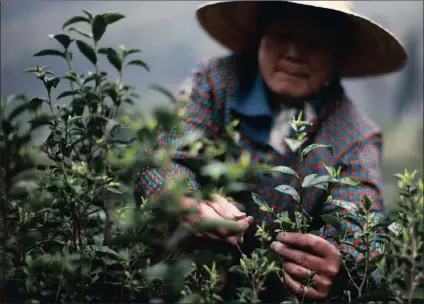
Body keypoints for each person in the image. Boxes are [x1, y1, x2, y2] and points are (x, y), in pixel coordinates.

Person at [134, 0, 407, 302]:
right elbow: (161, 155)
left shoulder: (354, 135)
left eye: (314, 43)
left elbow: (360, 220)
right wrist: (183, 198)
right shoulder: (215, 81)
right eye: (282, 36)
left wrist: (340, 264)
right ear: (260, 39)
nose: (294, 53)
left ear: (335, 56)